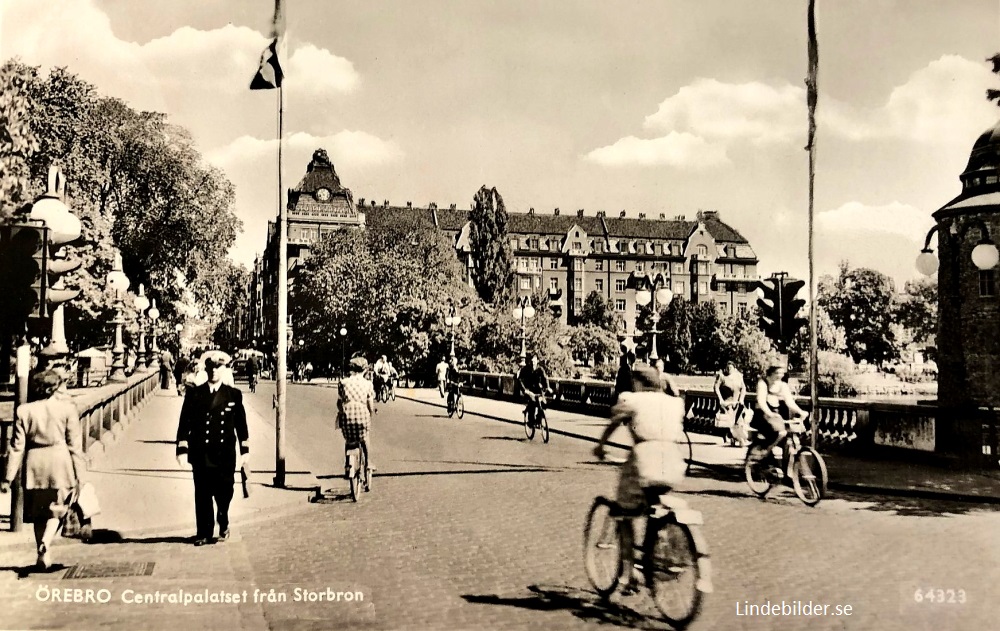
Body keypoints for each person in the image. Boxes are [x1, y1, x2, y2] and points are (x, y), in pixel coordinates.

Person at [593, 364, 687, 592]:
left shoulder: (633, 400)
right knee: (656, 505)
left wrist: (601, 446)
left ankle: (628, 575)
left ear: (639, 383)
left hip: (644, 461)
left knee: (624, 513)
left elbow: (614, 421)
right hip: (673, 462)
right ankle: (660, 547)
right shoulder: (675, 403)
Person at [1, 368, 87, 569]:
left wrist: (8, 478)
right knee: (58, 509)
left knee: (39, 511)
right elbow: (75, 446)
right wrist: (81, 476)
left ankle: (42, 557)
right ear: (55, 387)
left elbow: (16, 447)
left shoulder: (24, 411)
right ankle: (45, 543)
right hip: (59, 462)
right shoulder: (67, 409)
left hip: (34, 464)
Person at [175, 351, 249, 546]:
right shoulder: (195, 394)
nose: (214, 371)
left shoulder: (233, 394)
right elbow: (185, 423)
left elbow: (241, 424)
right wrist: (182, 449)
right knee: (202, 493)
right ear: (206, 370)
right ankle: (204, 532)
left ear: (223, 370)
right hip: (201, 452)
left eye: (218, 367)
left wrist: (245, 449)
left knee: (225, 491)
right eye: (211, 368)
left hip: (224, 454)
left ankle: (223, 517)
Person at [751, 363, 808, 477]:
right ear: (771, 373)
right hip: (762, 415)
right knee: (781, 432)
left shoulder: (783, 385)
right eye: (777, 373)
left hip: (776, 415)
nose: (780, 376)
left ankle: (787, 471)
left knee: (789, 440)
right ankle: (765, 452)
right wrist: (769, 413)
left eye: (782, 373)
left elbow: (789, 402)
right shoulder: (763, 383)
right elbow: (761, 401)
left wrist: (801, 412)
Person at [337, 356, 376, 474]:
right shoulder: (368, 384)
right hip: (361, 416)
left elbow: (339, 402)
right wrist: (371, 413)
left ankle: (347, 464)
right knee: (365, 438)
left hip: (347, 417)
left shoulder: (343, 382)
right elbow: (370, 404)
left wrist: (341, 411)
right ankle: (368, 462)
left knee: (348, 441)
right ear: (365, 370)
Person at [714, 361, 748, 447]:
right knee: (730, 421)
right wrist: (721, 399)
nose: (729, 369)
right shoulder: (722, 376)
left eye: (731, 368)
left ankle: (739, 437)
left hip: (737, 403)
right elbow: (716, 387)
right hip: (727, 403)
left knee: (740, 421)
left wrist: (742, 399)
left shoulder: (739, 377)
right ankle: (734, 437)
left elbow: (743, 388)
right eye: (727, 368)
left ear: (734, 368)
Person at [515, 353, 550, 426]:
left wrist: (547, 387)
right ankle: (530, 421)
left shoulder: (540, 369)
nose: (533, 363)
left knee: (544, 403)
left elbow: (545, 378)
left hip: (538, 389)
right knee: (533, 403)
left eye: (534, 361)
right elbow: (520, 379)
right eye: (531, 362)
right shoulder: (526, 369)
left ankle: (539, 418)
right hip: (529, 390)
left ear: (537, 361)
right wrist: (524, 390)